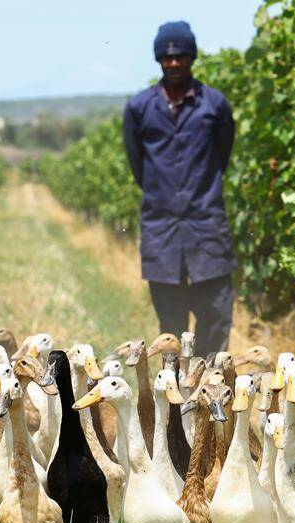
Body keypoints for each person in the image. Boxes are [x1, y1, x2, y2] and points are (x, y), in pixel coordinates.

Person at [122, 20, 236, 357]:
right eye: (167, 57)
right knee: (170, 324)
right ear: (158, 59)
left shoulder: (214, 105)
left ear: (192, 57)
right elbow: (137, 164)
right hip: (162, 228)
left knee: (215, 314)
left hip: (206, 225)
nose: (174, 63)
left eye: (181, 56)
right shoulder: (140, 108)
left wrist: (198, 192)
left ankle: (211, 389)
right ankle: (173, 403)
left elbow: (223, 154)